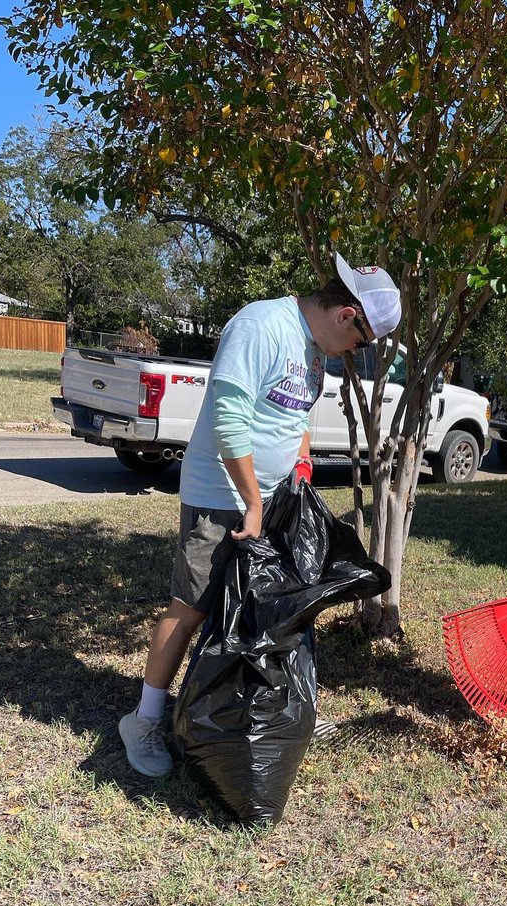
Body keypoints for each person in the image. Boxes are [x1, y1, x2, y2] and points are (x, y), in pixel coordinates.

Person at [119, 253, 402, 777]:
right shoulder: (261, 325)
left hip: (271, 497)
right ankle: (143, 719)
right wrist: (251, 501)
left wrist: (300, 465)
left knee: (275, 606)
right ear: (347, 315)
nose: (355, 354)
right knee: (192, 608)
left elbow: (293, 413)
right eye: (361, 343)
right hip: (219, 497)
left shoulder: (315, 348)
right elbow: (229, 420)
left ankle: (279, 707)